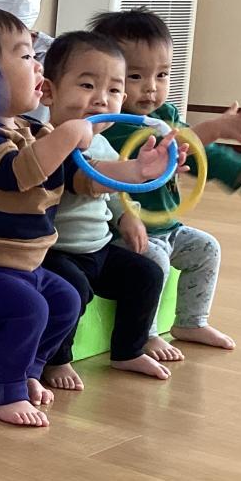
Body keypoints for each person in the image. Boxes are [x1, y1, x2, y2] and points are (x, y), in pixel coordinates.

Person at [0, 9, 176, 425]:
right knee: (30, 309)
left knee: (66, 300)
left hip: (28, 264)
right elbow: (16, 173)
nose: (38, 65)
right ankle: (4, 390)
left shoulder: (32, 131)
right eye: (25, 57)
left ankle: (29, 372)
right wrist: (69, 134)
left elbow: (86, 177)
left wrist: (138, 170)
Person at [90, 8, 241, 355]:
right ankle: (144, 333)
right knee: (153, 264)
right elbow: (169, 147)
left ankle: (191, 321)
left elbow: (201, 154)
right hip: (124, 233)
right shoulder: (108, 124)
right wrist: (211, 129)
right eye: (135, 76)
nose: (151, 87)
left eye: (162, 74)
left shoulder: (166, 115)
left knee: (207, 248)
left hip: (168, 226)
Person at [38, 31, 182, 388]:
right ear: (49, 91)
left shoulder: (102, 143)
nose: (101, 99)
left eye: (114, 90)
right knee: (70, 289)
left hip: (98, 248)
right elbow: (86, 179)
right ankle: (56, 359)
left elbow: (114, 191)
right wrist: (136, 171)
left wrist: (126, 215)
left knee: (147, 274)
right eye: (87, 85)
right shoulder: (44, 140)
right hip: (56, 252)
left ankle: (128, 350)